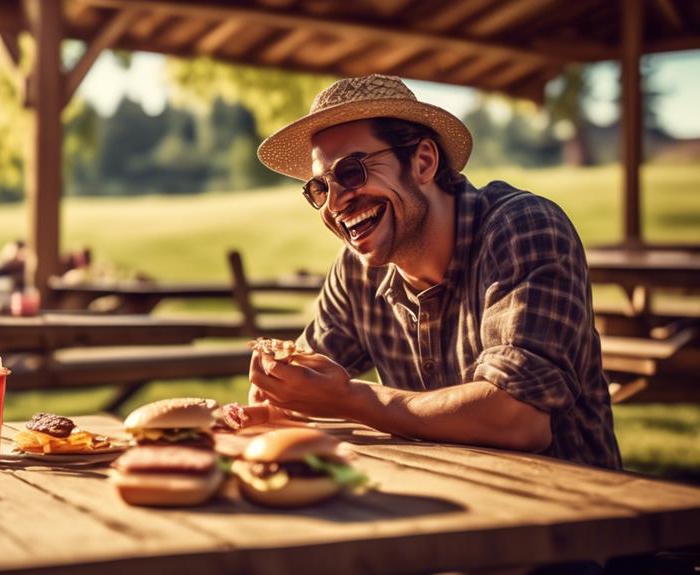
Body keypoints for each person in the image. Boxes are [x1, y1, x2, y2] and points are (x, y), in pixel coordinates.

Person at [247, 75, 620, 471]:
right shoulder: (356, 272)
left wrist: (350, 399)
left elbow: (519, 418)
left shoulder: (522, 228)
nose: (334, 202)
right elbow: (301, 389)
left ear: (423, 161)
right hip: (436, 504)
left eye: (352, 172)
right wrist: (280, 388)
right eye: (319, 188)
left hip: (572, 515)